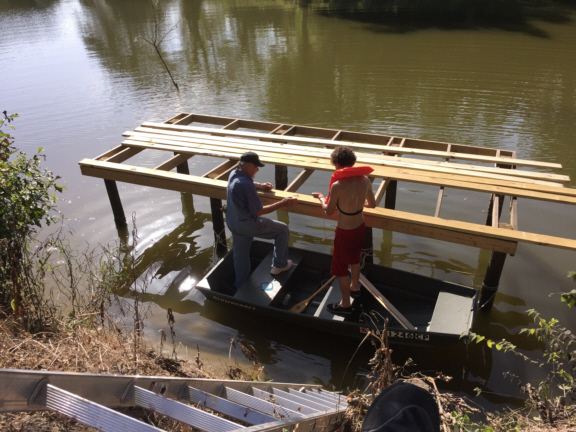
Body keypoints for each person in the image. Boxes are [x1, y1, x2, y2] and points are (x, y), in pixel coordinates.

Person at [312, 146, 376, 316]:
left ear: (338, 165)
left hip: (345, 231)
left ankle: (345, 305)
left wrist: (321, 198)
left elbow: (329, 210)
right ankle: (355, 287)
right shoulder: (365, 180)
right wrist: (356, 203)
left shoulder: (338, 186)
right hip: (360, 226)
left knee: (340, 268)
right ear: (352, 163)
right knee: (355, 258)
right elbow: (372, 204)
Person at [226, 151, 299, 289]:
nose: (258, 169)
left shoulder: (233, 174)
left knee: (240, 255)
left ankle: (241, 284)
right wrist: (283, 203)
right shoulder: (246, 185)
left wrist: (259, 185)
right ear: (248, 165)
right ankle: (280, 265)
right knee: (282, 230)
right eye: (256, 166)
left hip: (233, 223)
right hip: (248, 224)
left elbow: (244, 183)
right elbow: (259, 211)